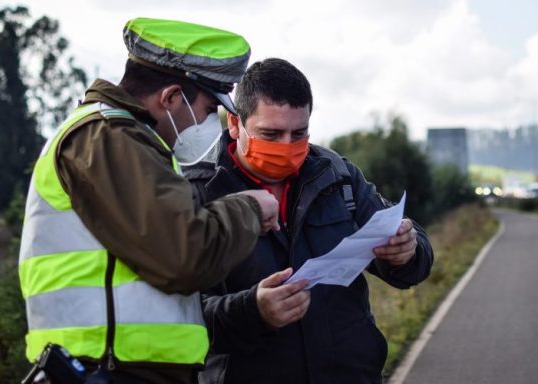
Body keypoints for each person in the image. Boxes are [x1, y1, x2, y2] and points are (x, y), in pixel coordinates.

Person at [17, 17, 284, 384]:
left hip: (124, 369)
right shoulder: (108, 137)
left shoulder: (132, 143)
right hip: (109, 370)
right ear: (172, 97)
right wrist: (251, 207)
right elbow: (183, 253)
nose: (211, 123)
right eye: (208, 110)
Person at [185, 58, 434, 384]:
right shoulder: (197, 194)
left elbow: (411, 262)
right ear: (235, 124)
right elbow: (179, 316)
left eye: (299, 133)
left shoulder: (336, 174)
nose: (287, 147)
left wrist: (407, 250)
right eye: (271, 134)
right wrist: (253, 311)